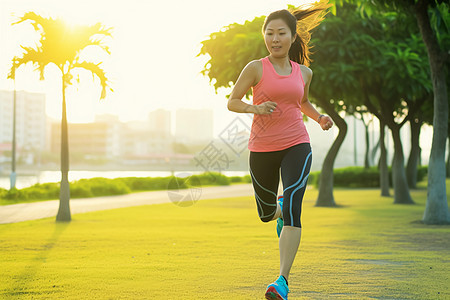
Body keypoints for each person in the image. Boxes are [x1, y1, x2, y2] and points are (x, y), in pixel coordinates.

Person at [227, 2, 334, 299]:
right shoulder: (255, 68)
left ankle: (282, 281)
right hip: (261, 148)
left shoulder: (304, 73)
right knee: (266, 213)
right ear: (264, 36)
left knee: (294, 210)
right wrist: (255, 107)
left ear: (292, 36)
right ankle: (277, 212)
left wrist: (320, 117)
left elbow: (302, 103)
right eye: (270, 33)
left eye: (281, 33)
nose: (275, 39)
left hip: (297, 143)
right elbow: (232, 101)